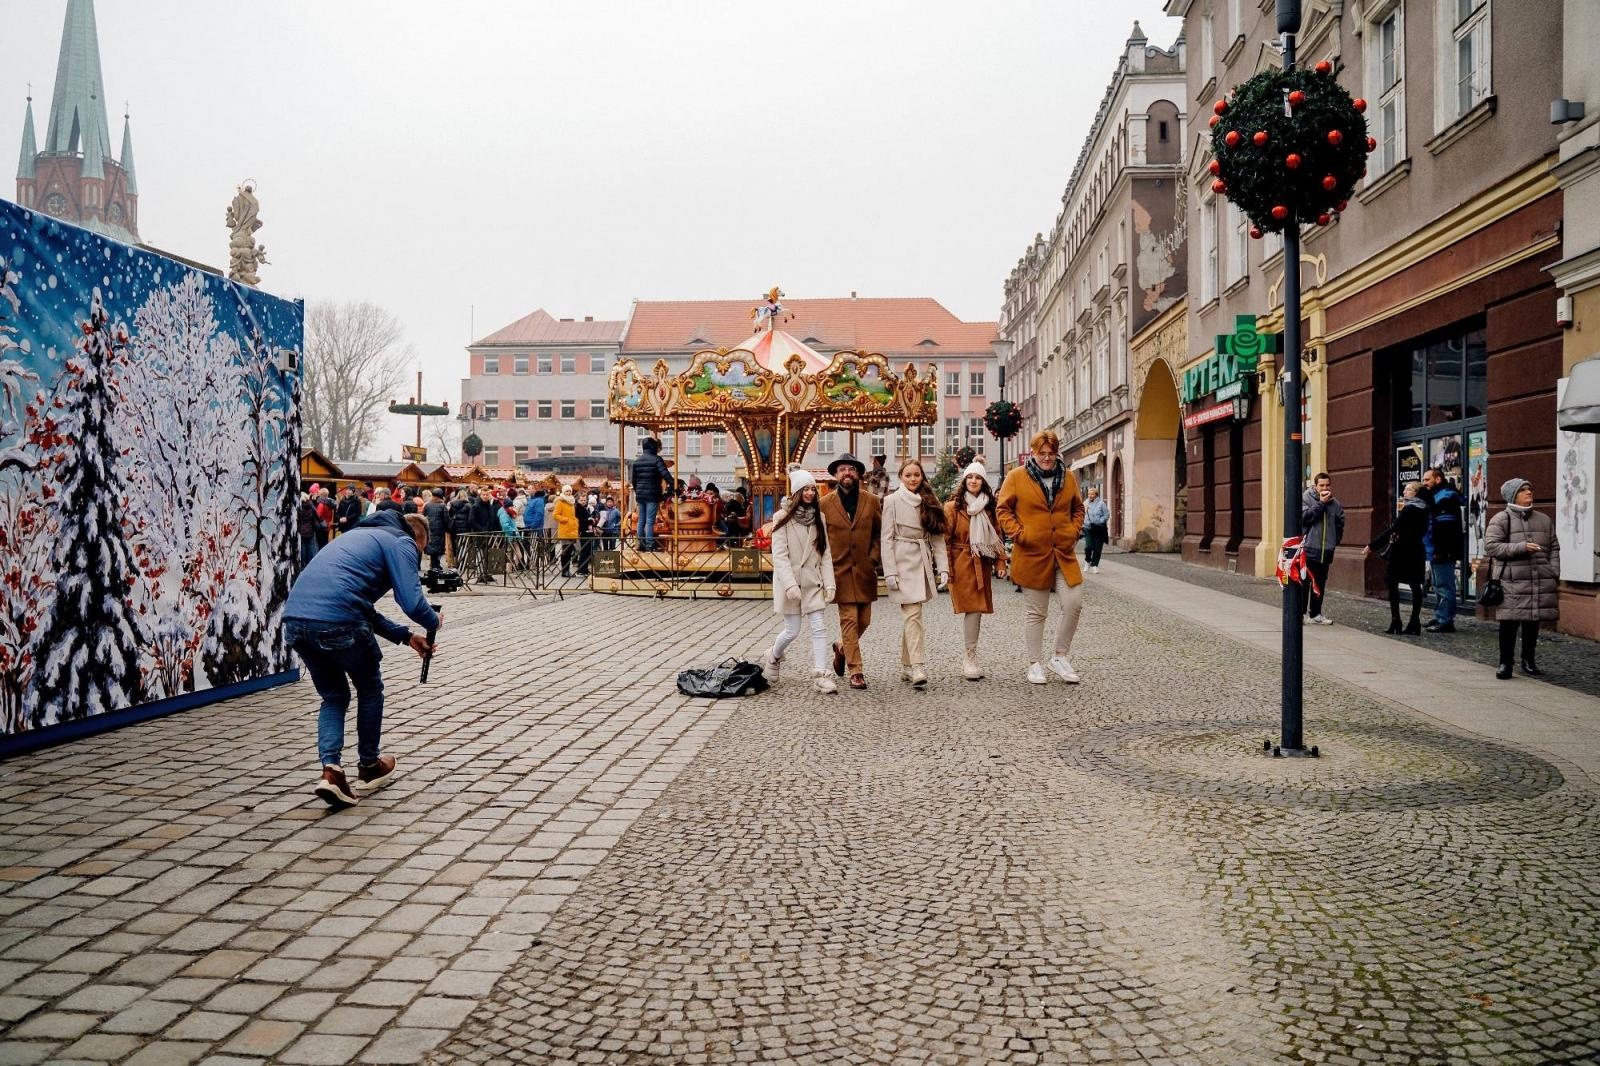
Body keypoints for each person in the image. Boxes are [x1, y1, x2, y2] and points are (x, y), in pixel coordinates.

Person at [283, 510, 441, 808]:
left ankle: (331, 771)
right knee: (369, 687)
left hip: (296, 620)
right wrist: (433, 621)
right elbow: (411, 601)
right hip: (340, 621)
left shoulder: (356, 536)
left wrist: (405, 636)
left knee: (333, 696)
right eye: (419, 554)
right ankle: (369, 765)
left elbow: (357, 602)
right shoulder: (401, 542)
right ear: (418, 541)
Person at [997, 430, 1086, 685]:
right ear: (1033, 453)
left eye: (1051, 453)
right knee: (1036, 612)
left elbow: (1078, 508)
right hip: (1032, 553)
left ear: (1057, 453)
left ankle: (1059, 657)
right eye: (1041, 453)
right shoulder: (1016, 477)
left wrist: (1073, 530)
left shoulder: (1068, 477)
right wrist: (1019, 534)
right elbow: (1003, 509)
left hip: (1063, 552)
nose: (1046, 458)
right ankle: (1035, 663)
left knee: (1074, 603)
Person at [762, 466, 838, 694]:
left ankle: (821, 673)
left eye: (812, 489)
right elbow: (780, 556)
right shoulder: (781, 518)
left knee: (819, 627)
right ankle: (773, 656)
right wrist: (790, 585)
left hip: (812, 581)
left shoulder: (819, 518)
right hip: (791, 583)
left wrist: (830, 582)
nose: (810, 493)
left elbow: (824, 553)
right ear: (796, 492)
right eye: (805, 489)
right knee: (792, 631)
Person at [880, 458, 948, 689]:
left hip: (923, 561)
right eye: (908, 475)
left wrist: (944, 567)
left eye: (916, 475)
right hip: (901, 561)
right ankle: (918, 665)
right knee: (913, 613)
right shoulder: (891, 501)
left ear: (922, 477)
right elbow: (886, 538)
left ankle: (907, 665)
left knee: (913, 615)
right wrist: (889, 571)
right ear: (901, 477)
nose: (912, 479)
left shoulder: (929, 501)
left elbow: (938, 538)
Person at [1484, 479, 1560, 680]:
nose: (1529, 493)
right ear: (1512, 496)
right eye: (1523, 490)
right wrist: (1521, 547)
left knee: (1532, 621)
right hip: (1511, 580)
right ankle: (1505, 662)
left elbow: (1554, 547)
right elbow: (1491, 547)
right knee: (1509, 622)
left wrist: (1554, 571)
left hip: (1540, 578)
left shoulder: (1544, 519)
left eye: (1529, 489)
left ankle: (1529, 660)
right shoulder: (1501, 518)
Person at [819, 453, 881, 690]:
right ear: (835, 475)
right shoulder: (824, 504)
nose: (847, 473)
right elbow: (820, 538)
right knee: (849, 621)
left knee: (864, 620)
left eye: (852, 469)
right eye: (843, 469)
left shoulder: (872, 501)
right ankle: (856, 670)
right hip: (840, 571)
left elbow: (878, 533)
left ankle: (842, 648)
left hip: (865, 570)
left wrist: (873, 558)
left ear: (858, 474)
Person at [945, 460, 1007, 680]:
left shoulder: (989, 507)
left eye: (978, 477)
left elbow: (997, 535)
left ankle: (970, 657)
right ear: (965, 480)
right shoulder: (953, 507)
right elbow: (945, 539)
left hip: (982, 562)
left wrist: (1001, 561)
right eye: (970, 477)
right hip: (961, 561)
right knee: (972, 608)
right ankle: (969, 658)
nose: (973, 481)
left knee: (976, 610)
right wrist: (947, 569)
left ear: (983, 482)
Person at [1362, 482, 1428, 635]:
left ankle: (1396, 620)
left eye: (1409, 489)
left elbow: (1394, 529)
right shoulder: (1424, 508)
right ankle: (1414, 621)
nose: (1404, 491)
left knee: (1392, 582)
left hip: (1403, 551)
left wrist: (1372, 546)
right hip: (1416, 550)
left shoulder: (1410, 509)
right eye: (1405, 489)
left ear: (1416, 493)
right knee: (1415, 585)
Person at [1421, 467, 1465, 633]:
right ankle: (1440, 616)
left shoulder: (1445, 497)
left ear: (1438, 479)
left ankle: (1446, 620)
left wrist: (1440, 549)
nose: (1424, 483)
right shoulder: (1437, 496)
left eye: (1427, 479)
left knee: (1445, 585)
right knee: (1438, 584)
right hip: (1435, 548)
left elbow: (1444, 528)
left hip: (1442, 549)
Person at [1300, 472, 1345, 625]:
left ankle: (1315, 614)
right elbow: (1306, 518)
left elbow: (1340, 525)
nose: (1324, 488)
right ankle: (1300, 614)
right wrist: (1321, 503)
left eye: (1327, 485)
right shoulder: (1306, 498)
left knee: (1320, 583)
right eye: (1321, 485)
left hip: (1326, 550)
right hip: (1309, 548)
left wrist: (1333, 542)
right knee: (1305, 583)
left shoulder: (1336, 504)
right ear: (1315, 486)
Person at [631, 438, 672, 551]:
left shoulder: (637, 461)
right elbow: (665, 474)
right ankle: (649, 545)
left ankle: (640, 544)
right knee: (650, 520)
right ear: (653, 447)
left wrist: (638, 491)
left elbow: (634, 480)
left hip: (640, 495)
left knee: (641, 520)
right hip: (652, 494)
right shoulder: (656, 460)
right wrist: (673, 485)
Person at [1082, 485, 1110, 574]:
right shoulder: (1085, 503)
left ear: (1096, 495)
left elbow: (1106, 515)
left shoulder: (1101, 504)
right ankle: (1087, 561)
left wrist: (1099, 521)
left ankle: (1094, 565)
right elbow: (1080, 514)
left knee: (1097, 548)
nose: (1090, 496)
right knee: (1088, 546)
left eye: (1092, 494)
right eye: (1089, 494)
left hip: (1098, 528)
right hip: (1088, 528)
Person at [553, 486, 579, 577]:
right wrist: (566, 519)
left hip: (572, 529)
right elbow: (555, 515)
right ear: (563, 492)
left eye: (570, 491)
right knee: (566, 551)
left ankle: (567, 570)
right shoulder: (560, 502)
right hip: (565, 529)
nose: (569, 492)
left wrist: (574, 521)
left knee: (570, 551)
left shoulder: (571, 502)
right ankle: (565, 571)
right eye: (567, 491)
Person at [422, 488, 449, 571]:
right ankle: (436, 565)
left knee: (432, 547)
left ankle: (434, 564)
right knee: (438, 548)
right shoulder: (443, 506)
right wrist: (447, 528)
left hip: (429, 529)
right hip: (440, 530)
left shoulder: (427, 505)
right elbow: (446, 519)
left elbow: (423, 516)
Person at [296, 493, 321, 569]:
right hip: (310, 530)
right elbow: (318, 516)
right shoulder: (311, 506)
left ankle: (302, 564)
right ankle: (309, 564)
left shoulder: (299, 507)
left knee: (303, 548)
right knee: (310, 547)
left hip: (302, 531)